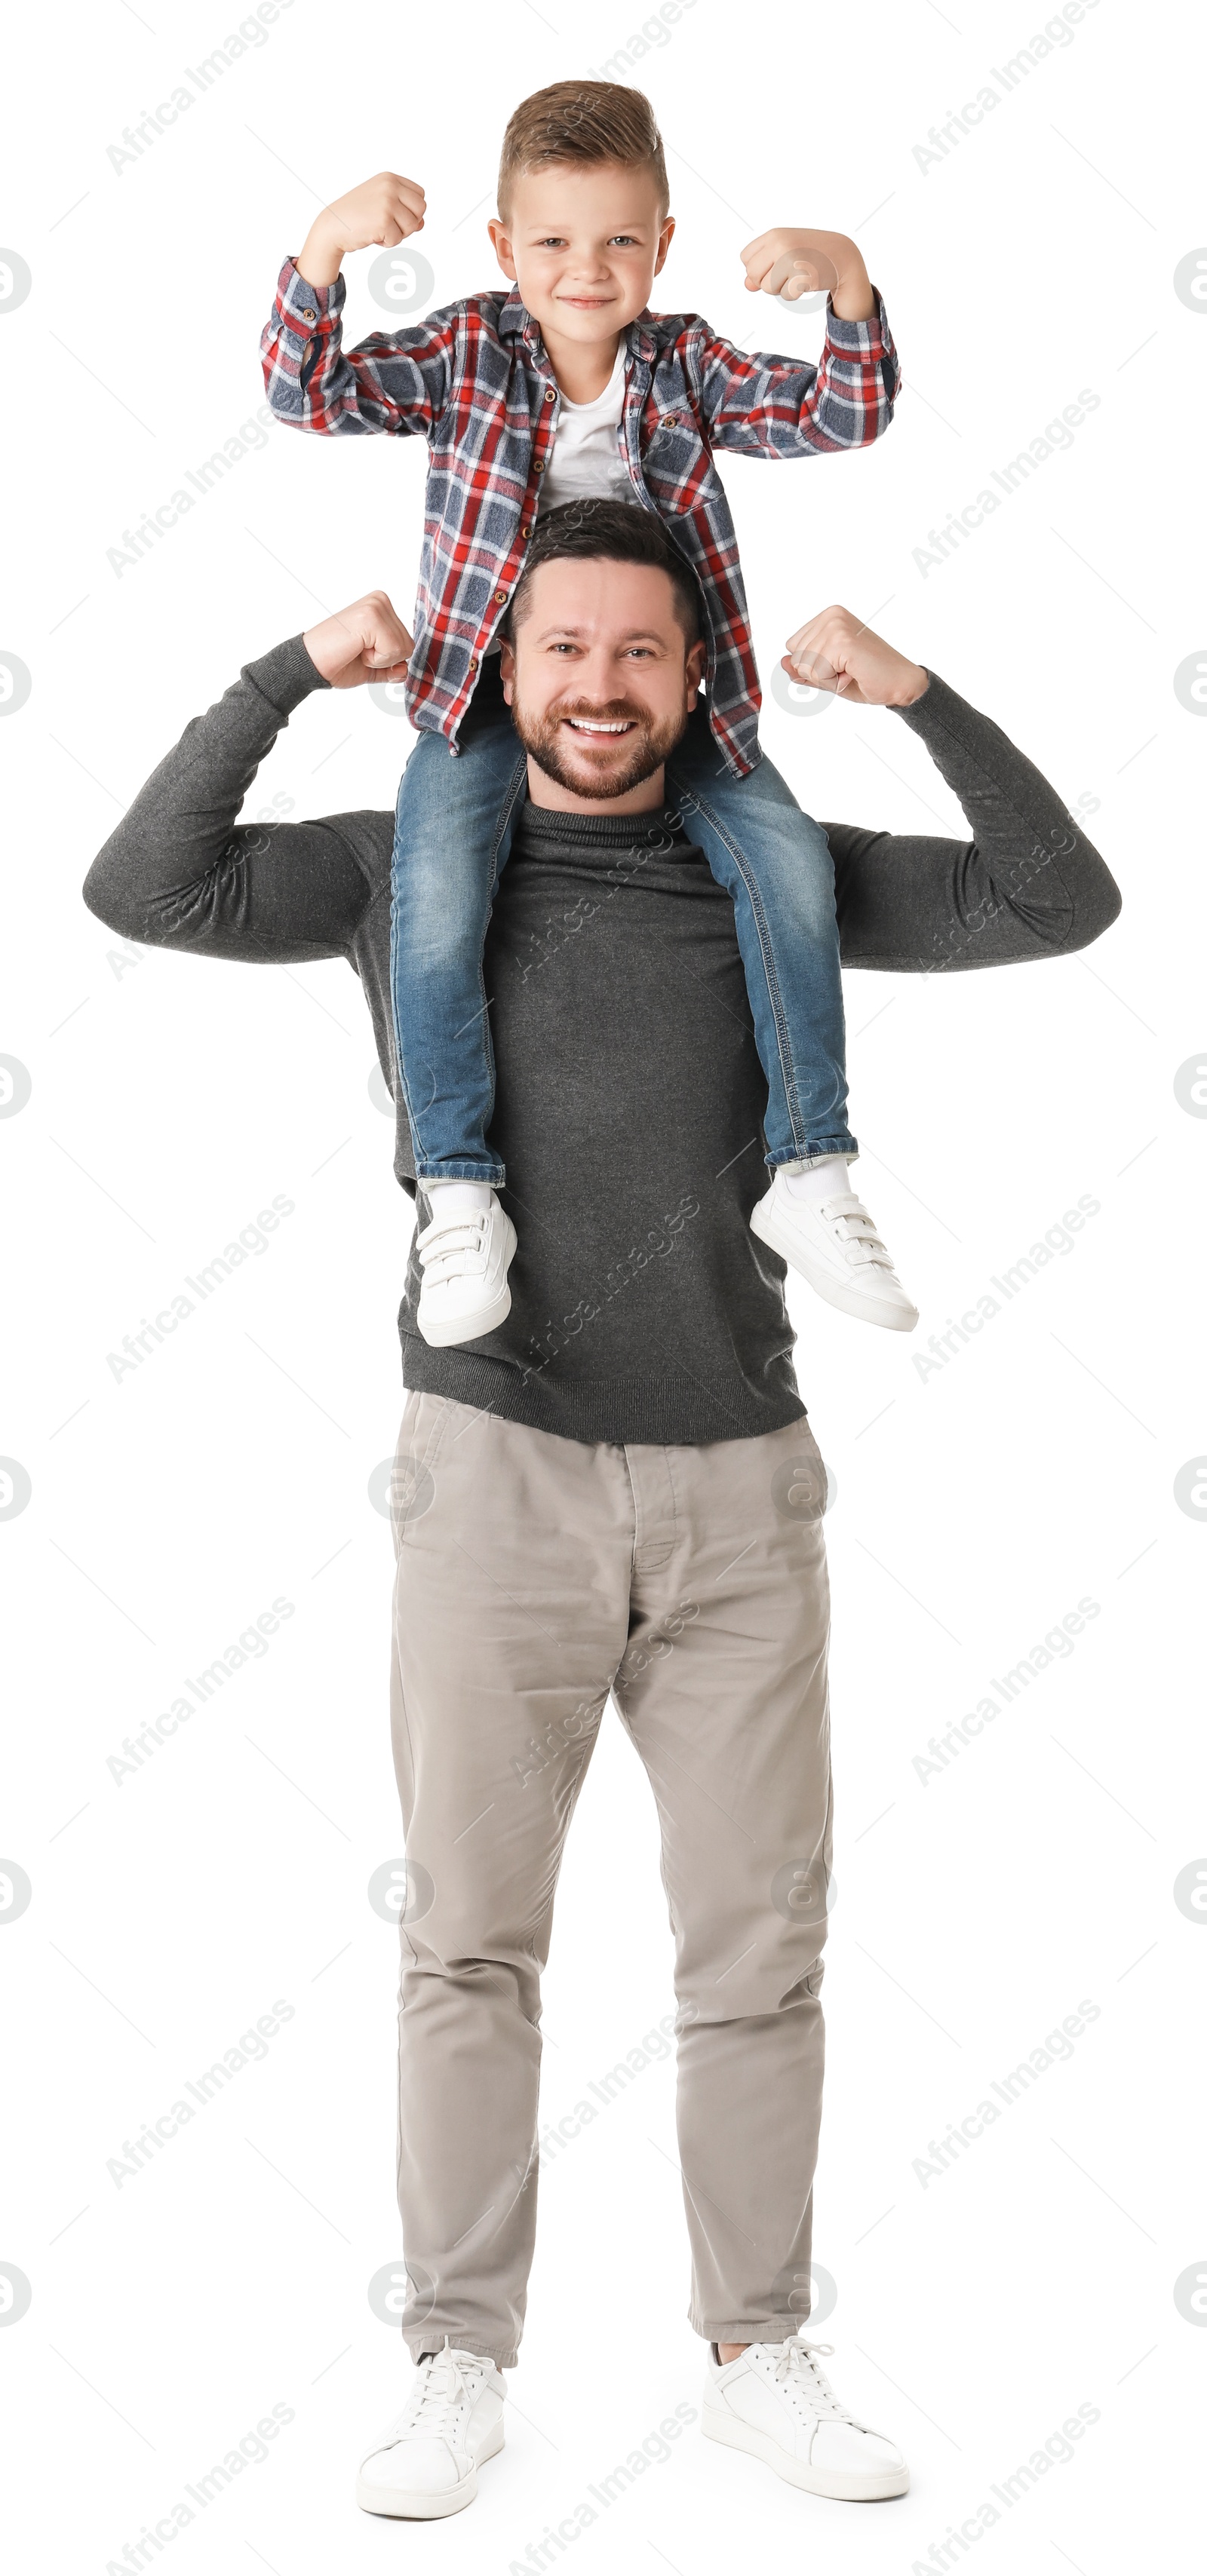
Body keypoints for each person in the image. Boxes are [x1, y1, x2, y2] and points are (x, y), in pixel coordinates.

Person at [83, 519, 1120, 2522]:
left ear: (693, 673)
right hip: (494, 1478)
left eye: (642, 652)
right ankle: (457, 2359)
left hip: (744, 1488)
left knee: (761, 1953)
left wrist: (915, 695)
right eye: (563, 646)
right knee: (471, 1946)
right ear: (501, 663)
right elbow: (144, 883)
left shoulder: (775, 881)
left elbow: (1056, 900)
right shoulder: (402, 867)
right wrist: (293, 667)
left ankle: (757, 2348)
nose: (600, 685)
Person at [259, 79, 918, 1348]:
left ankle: (812, 1170)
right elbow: (308, 396)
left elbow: (844, 413)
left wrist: (847, 280)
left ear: (662, 244)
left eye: (619, 239)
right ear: (505, 250)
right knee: (435, 901)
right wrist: (324, 251)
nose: (586, 269)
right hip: (481, 700)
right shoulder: (464, 352)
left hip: (675, 707)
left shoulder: (689, 367)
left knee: (788, 872)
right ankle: (457, 1190)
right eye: (553, 241)